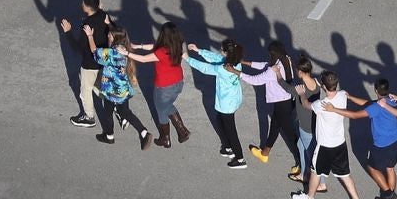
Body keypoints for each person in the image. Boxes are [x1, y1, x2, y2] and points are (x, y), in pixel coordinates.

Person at [290, 71, 366, 199]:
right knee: (345, 174)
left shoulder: (321, 104)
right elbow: (340, 93)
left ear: (324, 86)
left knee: (315, 171)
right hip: (340, 144)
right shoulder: (343, 94)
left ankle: (309, 198)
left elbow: (306, 105)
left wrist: (301, 93)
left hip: (325, 146)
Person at [325, 78, 397, 199]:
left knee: (372, 167)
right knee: (390, 168)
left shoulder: (377, 107)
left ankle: (389, 195)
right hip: (396, 138)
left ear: (376, 90)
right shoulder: (389, 100)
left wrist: (334, 109)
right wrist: (350, 97)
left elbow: (355, 115)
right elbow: (367, 103)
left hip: (382, 144)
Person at [232, 41, 301, 174]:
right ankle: (265, 153)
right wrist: (247, 63)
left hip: (282, 105)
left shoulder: (272, 70)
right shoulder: (285, 59)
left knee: (292, 136)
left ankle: (302, 163)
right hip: (287, 101)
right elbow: (265, 66)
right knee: (275, 126)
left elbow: (255, 80)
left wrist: (236, 72)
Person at [120, 22, 190, 148]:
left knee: (162, 111)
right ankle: (182, 131)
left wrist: (127, 53)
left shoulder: (162, 52)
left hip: (164, 87)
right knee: (167, 105)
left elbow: (143, 59)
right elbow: (155, 46)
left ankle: (165, 138)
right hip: (178, 83)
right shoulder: (177, 45)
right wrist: (138, 46)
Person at [82, 26, 152, 150]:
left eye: (109, 35)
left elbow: (95, 52)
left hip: (112, 90)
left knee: (108, 112)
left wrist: (89, 36)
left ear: (115, 38)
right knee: (125, 111)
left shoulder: (113, 53)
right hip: (124, 88)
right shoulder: (124, 49)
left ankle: (110, 135)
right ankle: (142, 132)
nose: (108, 37)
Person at [184, 40, 247, 169]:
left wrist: (187, 58)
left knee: (231, 131)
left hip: (226, 105)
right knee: (219, 120)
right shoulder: (235, 61)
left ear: (225, 52)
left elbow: (206, 68)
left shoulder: (223, 69)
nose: (220, 51)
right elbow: (216, 58)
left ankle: (240, 159)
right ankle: (228, 147)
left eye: (221, 49)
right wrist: (199, 51)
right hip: (233, 99)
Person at [274, 54, 327, 192]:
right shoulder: (316, 83)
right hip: (314, 123)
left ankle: (321, 183)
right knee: (300, 145)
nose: (297, 72)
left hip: (306, 126)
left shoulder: (300, 89)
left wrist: (278, 73)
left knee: (312, 155)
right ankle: (304, 174)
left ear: (301, 72)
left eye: (298, 70)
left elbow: (284, 86)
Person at [60, 0, 111, 128]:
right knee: (99, 85)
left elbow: (78, 48)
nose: (81, 5)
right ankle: (117, 106)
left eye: (83, 3)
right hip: (104, 58)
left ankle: (89, 117)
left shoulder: (87, 25)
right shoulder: (104, 16)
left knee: (86, 90)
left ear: (87, 7)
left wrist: (68, 32)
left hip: (90, 63)